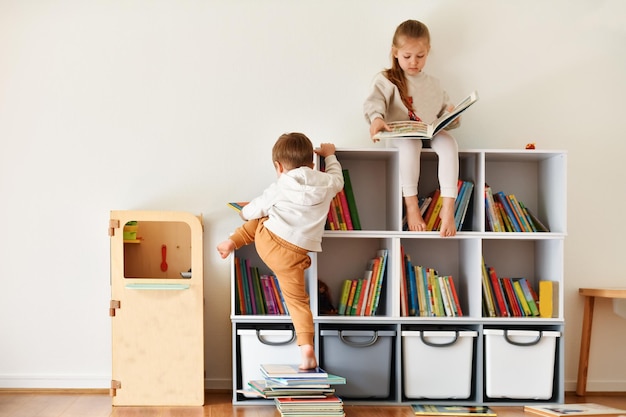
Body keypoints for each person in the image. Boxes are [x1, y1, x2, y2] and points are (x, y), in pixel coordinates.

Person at [217, 132, 344, 370]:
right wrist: (332, 155)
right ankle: (306, 348)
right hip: (296, 254)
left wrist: (243, 211)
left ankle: (231, 242)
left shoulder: (281, 185)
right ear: (313, 163)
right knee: (298, 302)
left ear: (279, 166)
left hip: (268, 243)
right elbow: (339, 179)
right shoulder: (327, 183)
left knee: (261, 216)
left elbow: (252, 211)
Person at [364, 19, 460, 237]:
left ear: (428, 52)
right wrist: (376, 119)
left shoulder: (433, 83)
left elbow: (444, 110)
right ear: (395, 53)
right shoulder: (386, 79)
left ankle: (448, 209)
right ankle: (412, 206)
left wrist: (452, 116)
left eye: (420, 56)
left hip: (428, 129)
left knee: (448, 143)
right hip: (401, 134)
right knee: (411, 144)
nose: (414, 62)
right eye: (407, 56)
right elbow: (374, 103)